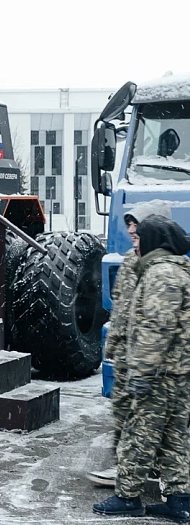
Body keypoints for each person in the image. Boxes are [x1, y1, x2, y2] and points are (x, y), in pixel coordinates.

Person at [93, 214, 190, 520]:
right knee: (174, 438)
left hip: (159, 375)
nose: (136, 243)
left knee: (139, 435)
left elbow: (155, 329)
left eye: (140, 238)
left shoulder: (160, 275)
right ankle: (179, 499)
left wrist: (143, 373)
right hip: (177, 373)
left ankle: (127, 496)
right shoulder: (175, 271)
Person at [88, 200, 172, 487]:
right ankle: (126, 466)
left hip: (148, 356)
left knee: (152, 420)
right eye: (131, 234)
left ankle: (148, 472)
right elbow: (121, 307)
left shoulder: (162, 266)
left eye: (138, 234)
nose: (132, 238)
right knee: (123, 412)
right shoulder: (130, 260)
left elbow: (157, 319)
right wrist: (113, 344)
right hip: (127, 352)